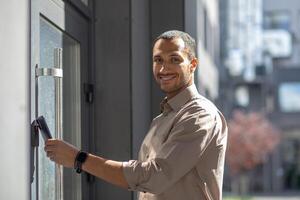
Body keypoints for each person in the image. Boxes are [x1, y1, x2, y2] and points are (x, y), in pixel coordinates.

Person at [45, 30, 228, 200]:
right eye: (158, 60)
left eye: (175, 59)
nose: (164, 69)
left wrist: (79, 159)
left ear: (193, 64)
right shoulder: (163, 118)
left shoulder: (200, 114)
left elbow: (154, 177)